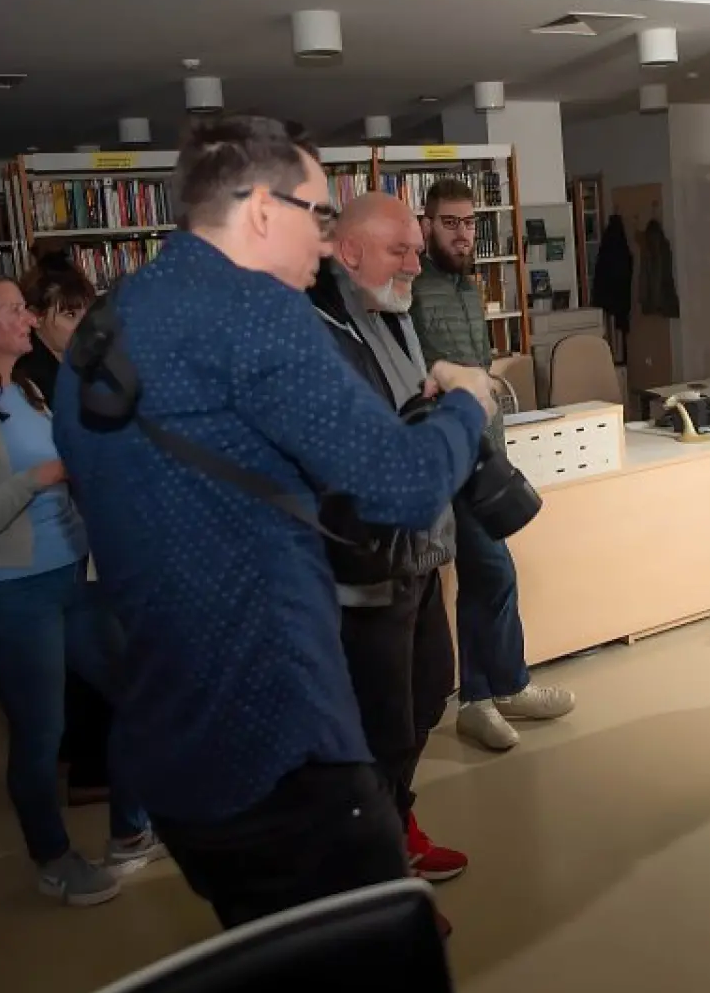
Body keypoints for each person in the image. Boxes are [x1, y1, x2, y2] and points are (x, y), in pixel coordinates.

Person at [50, 117, 499, 930]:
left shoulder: (104, 326)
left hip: (172, 737)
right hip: (282, 736)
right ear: (261, 210)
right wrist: (468, 403)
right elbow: (403, 488)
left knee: (276, 958)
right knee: (373, 968)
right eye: (318, 216)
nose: (326, 244)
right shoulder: (255, 313)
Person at [0, 271, 161, 907]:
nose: (29, 318)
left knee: (138, 695)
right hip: (11, 594)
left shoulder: (26, 391)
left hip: (74, 577)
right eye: (15, 310)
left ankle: (130, 832)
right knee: (40, 734)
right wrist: (39, 478)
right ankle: (53, 858)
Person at [306, 193, 469, 892]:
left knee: (428, 695)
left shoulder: (390, 313)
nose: (414, 264)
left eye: (415, 249)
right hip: (362, 565)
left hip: (417, 551)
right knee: (380, 726)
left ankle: (395, 824)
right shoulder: (315, 331)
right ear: (348, 252)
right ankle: (375, 873)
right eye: (399, 250)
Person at [410, 177, 576, 752]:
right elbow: (415, 373)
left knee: (486, 576)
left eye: (469, 222)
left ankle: (492, 693)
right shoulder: (411, 288)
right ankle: (494, 692)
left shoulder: (468, 285)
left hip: (484, 450)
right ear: (426, 225)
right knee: (493, 571)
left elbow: (475, 365)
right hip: (444, 453)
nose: (463, 233)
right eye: (450, 222)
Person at [15, 255, 112, 807]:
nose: (80, 325)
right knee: (91, 650)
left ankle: (81, 755)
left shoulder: (72, 365)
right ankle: (92, 768)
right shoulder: (31, 379)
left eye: (84, 313)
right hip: (61, 525)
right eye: (68, 315)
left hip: (80, 518)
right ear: (38, 317)